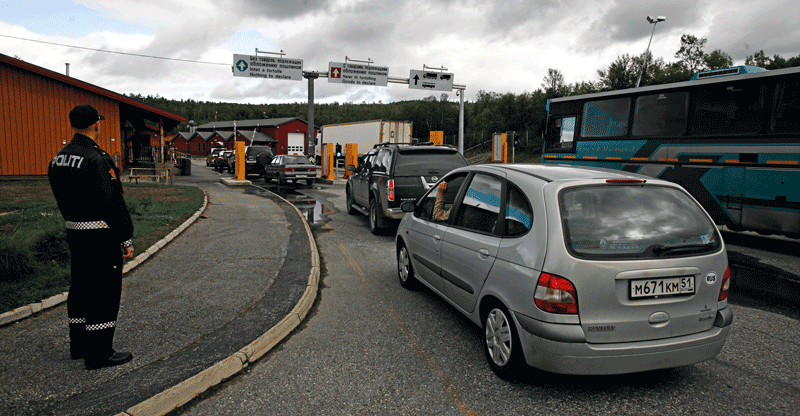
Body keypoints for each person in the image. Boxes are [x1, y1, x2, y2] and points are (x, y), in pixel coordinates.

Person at [48, 104, 135, 370]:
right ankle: (99, 353)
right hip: (100, 234)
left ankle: (79, 344)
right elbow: (112, 202)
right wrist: (125, 238)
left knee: (81, 287)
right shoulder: (97, 158)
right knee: (103, 291)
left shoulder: (59, 158)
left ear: (72, 124)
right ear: (96, 124)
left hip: (74, 230)